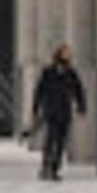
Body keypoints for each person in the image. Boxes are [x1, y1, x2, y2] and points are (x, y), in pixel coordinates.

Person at [30, 44, 87, 182]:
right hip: (51, 111)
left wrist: (81, 106)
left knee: (61, 142)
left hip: (64, 112)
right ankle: (45, 167)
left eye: (69, 53)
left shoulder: (71, 72)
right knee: (50, 140)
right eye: (65, 52)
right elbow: (39, 90)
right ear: (59, 54)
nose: (68, 55)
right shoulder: (48, 72)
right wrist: (36, 108)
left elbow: (78, 90)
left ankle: (55, 169)